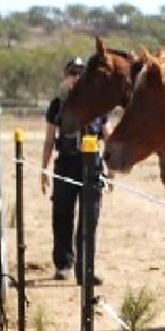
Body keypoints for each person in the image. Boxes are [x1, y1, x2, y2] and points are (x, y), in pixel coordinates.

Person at [41, 56, 111, 285]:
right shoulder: (57, 104)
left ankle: (85, 269)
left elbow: (108, 135)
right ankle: (63, 265)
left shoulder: (98, 104)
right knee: (62, 215)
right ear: (65, 76)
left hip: (92, 166)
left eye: (81, 72)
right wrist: (44, 169)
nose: (76, 76)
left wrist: (111, 168)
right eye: (73, 72)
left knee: (89, 218)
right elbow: (49, 139)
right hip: (66, 164)